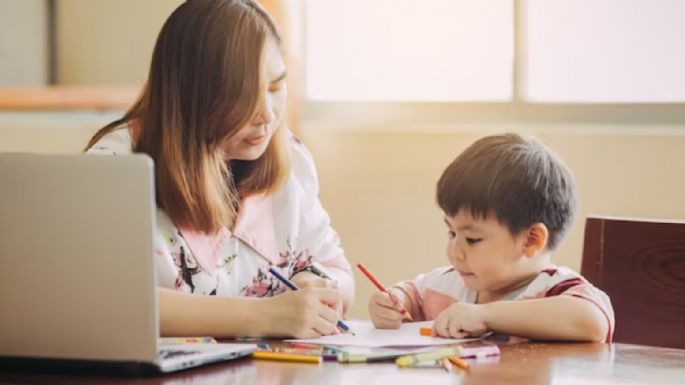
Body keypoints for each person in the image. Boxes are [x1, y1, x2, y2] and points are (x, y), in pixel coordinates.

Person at [85, 0, 354, 339]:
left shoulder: (292, 158)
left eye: (275, 87)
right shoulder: (115, 169)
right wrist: (265, 316)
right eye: (243, 95)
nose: (267, 116)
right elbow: (103, 302)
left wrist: (315, 288)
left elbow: (339, 272)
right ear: (191, 93)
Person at [368, 133, 614, 342]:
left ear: (531, 240)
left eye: (472, 239)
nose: (455, 251)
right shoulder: (448, 286)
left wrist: (485, 315)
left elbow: (592, 321)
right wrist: (394, 302)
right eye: (452, 233)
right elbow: (412, 295)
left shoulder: (554, 290)